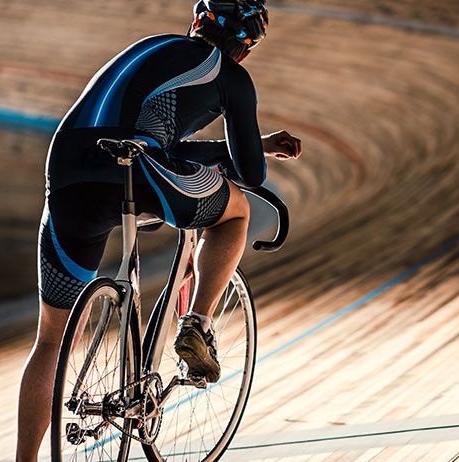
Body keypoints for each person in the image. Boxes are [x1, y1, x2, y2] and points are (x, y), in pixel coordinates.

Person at [15, 1, 301, 459]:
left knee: (51, 338)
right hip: (142, 171)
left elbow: (145, 130)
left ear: (196, 22)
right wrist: (252, 145)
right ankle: (198, 324)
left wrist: (248, 143)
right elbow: (250, 173)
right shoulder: (231, 75)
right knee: (237, 210)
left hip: (68, 168)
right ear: (245, 49)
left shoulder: (147, 47)